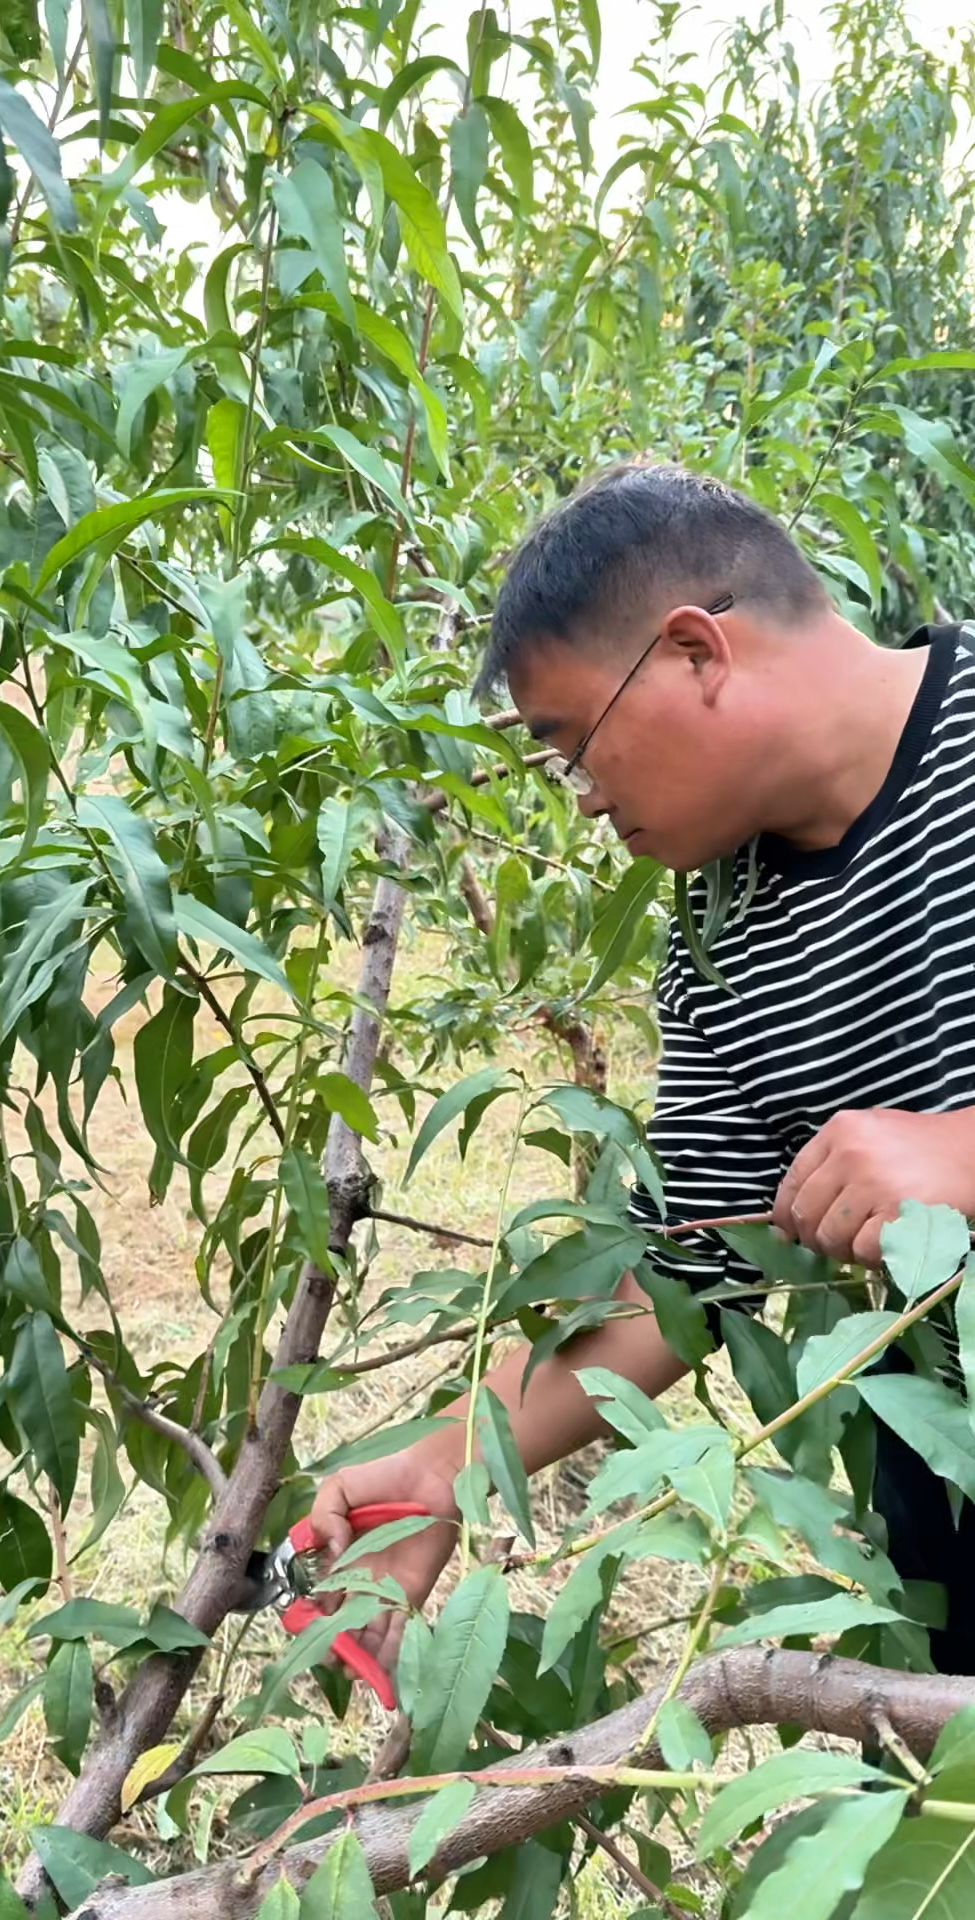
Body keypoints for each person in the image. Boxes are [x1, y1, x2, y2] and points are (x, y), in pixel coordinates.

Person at [311, 461, 975, 1675]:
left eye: (574, 747)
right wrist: (445, 1461)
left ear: (694, 652)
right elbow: (689, 1270)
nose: (581, 800)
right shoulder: (720, 938)